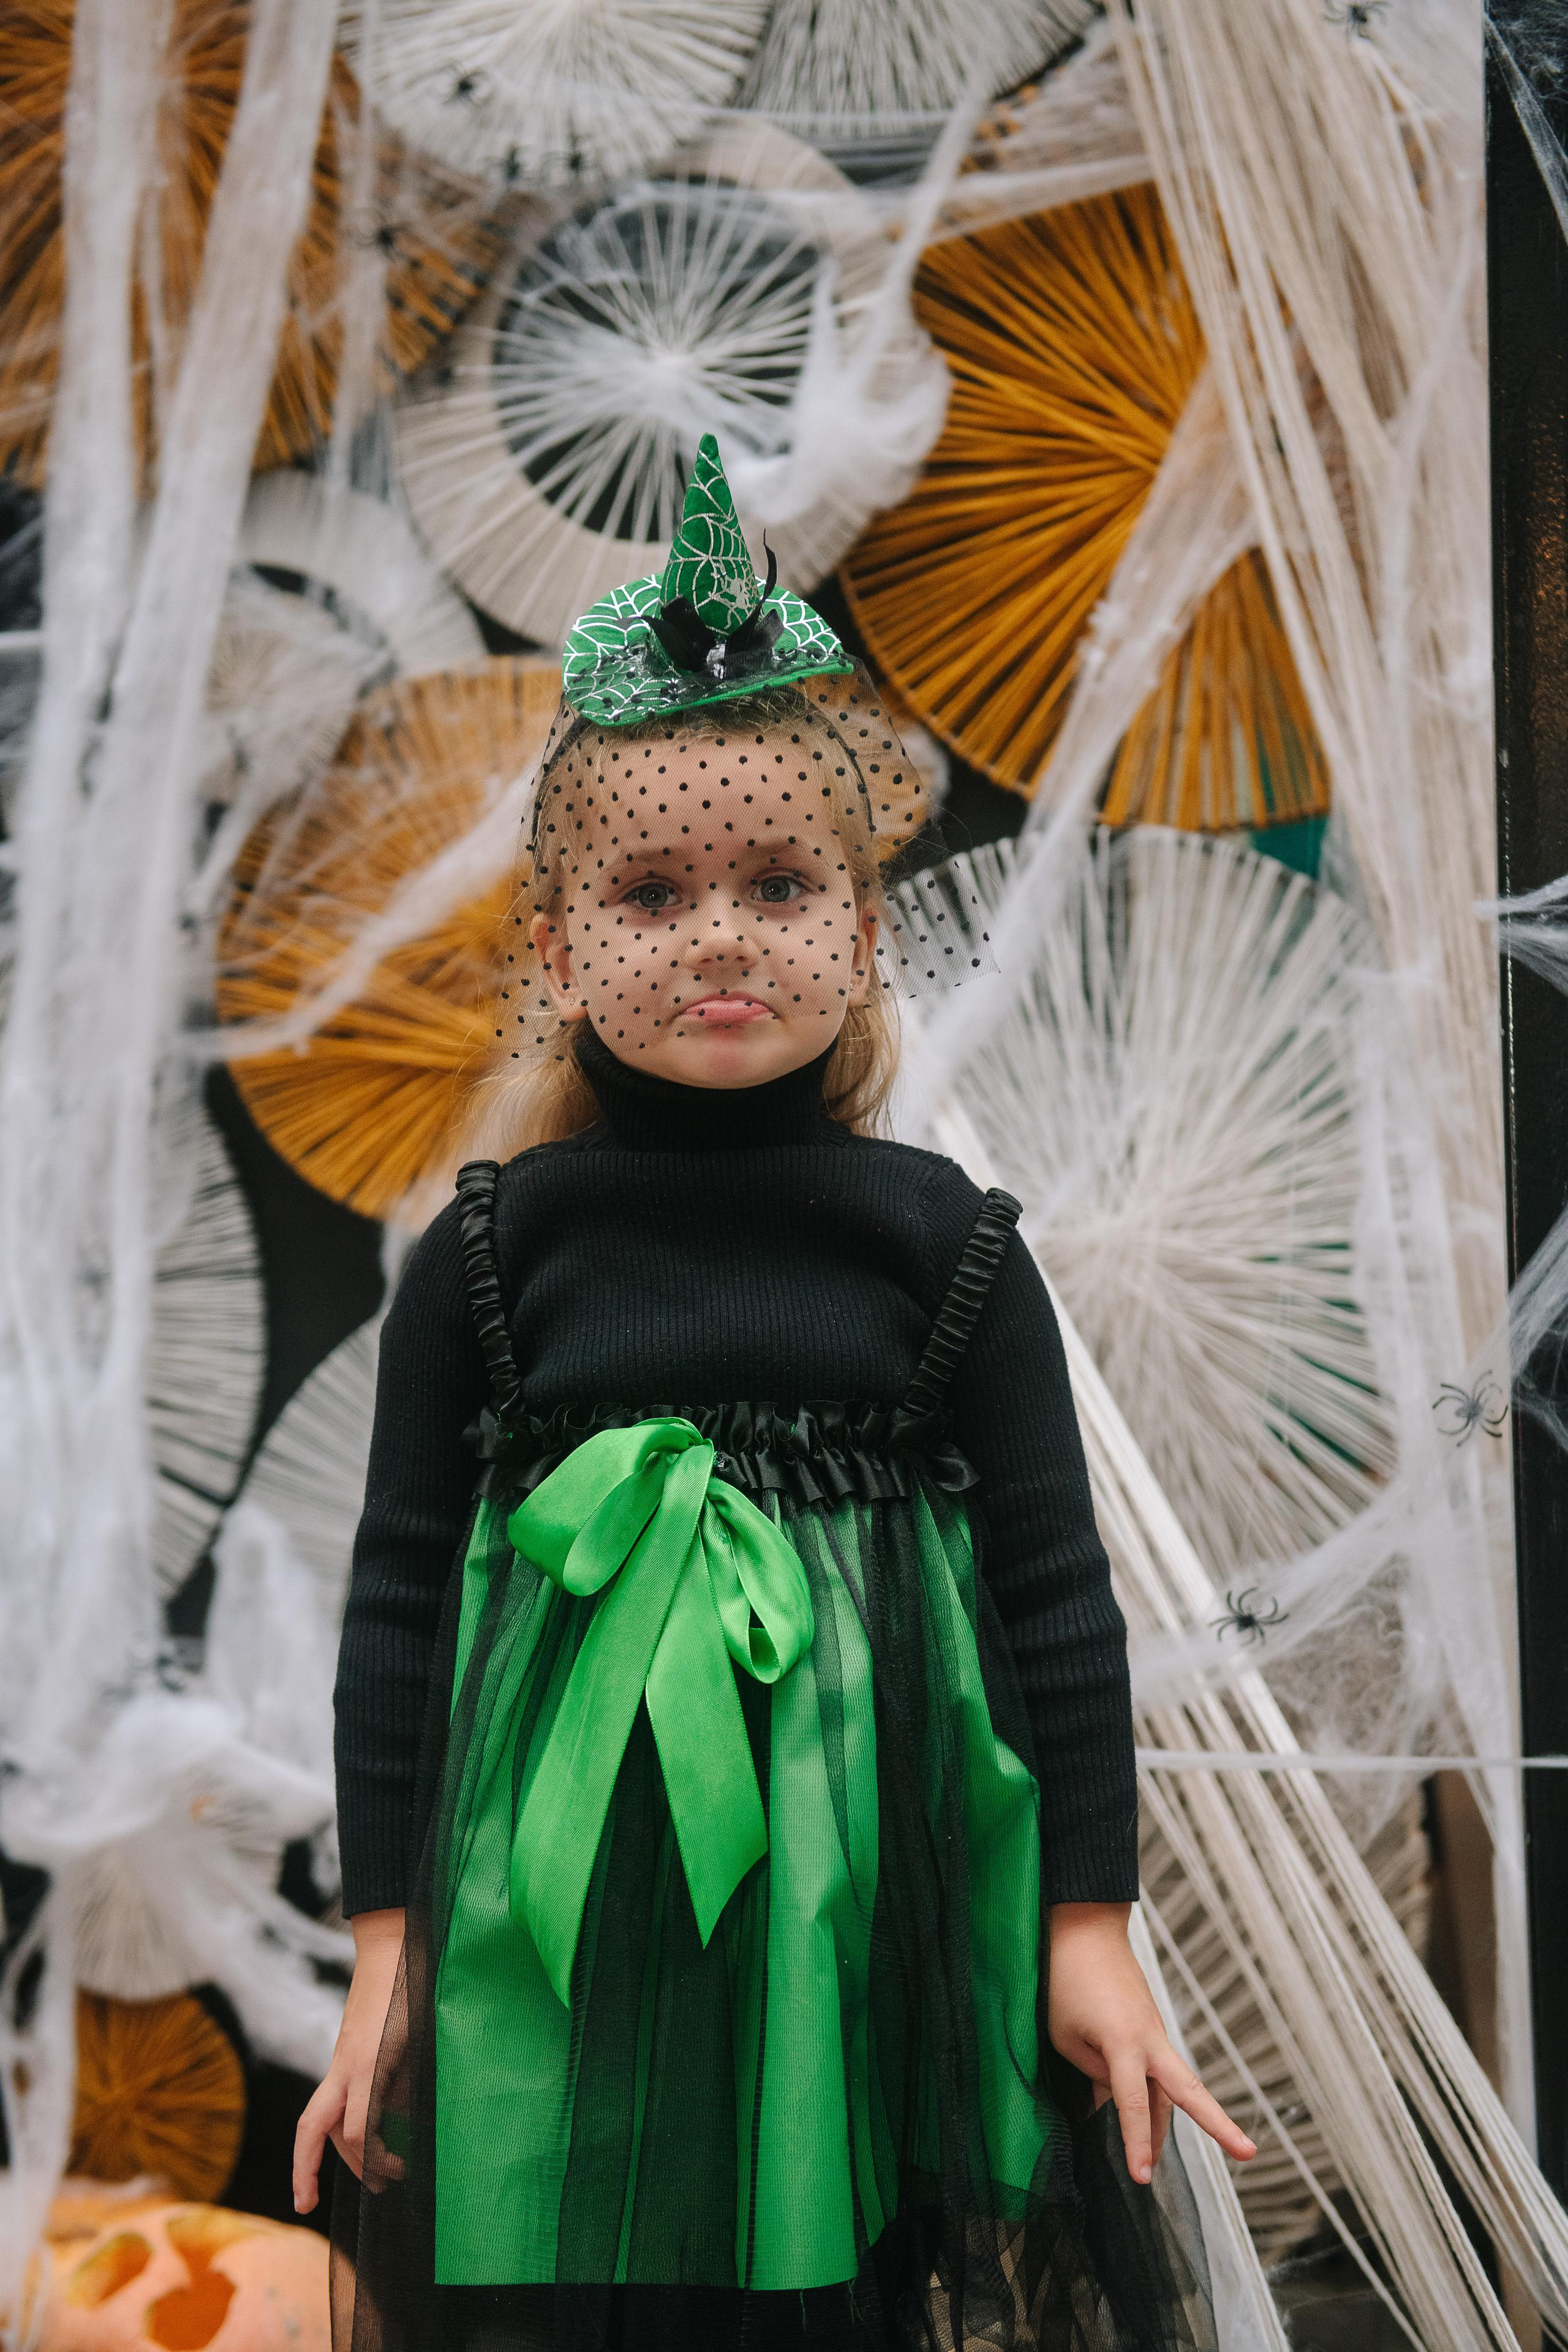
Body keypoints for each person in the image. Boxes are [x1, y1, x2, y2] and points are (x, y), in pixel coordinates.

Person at [295, 436, 1254, 2351]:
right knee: (560, 2266)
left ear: (862, 921)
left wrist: (1087, 1925)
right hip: (543, 1905)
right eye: (650, 895)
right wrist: (385, 1949)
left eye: (776, 882)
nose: (721, 933)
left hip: (853, 1889)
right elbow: (401, 1603)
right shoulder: (491, 1258)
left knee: (824, 2276)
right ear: (560, 954)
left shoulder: (943, 1245)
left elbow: (1057, 1595)